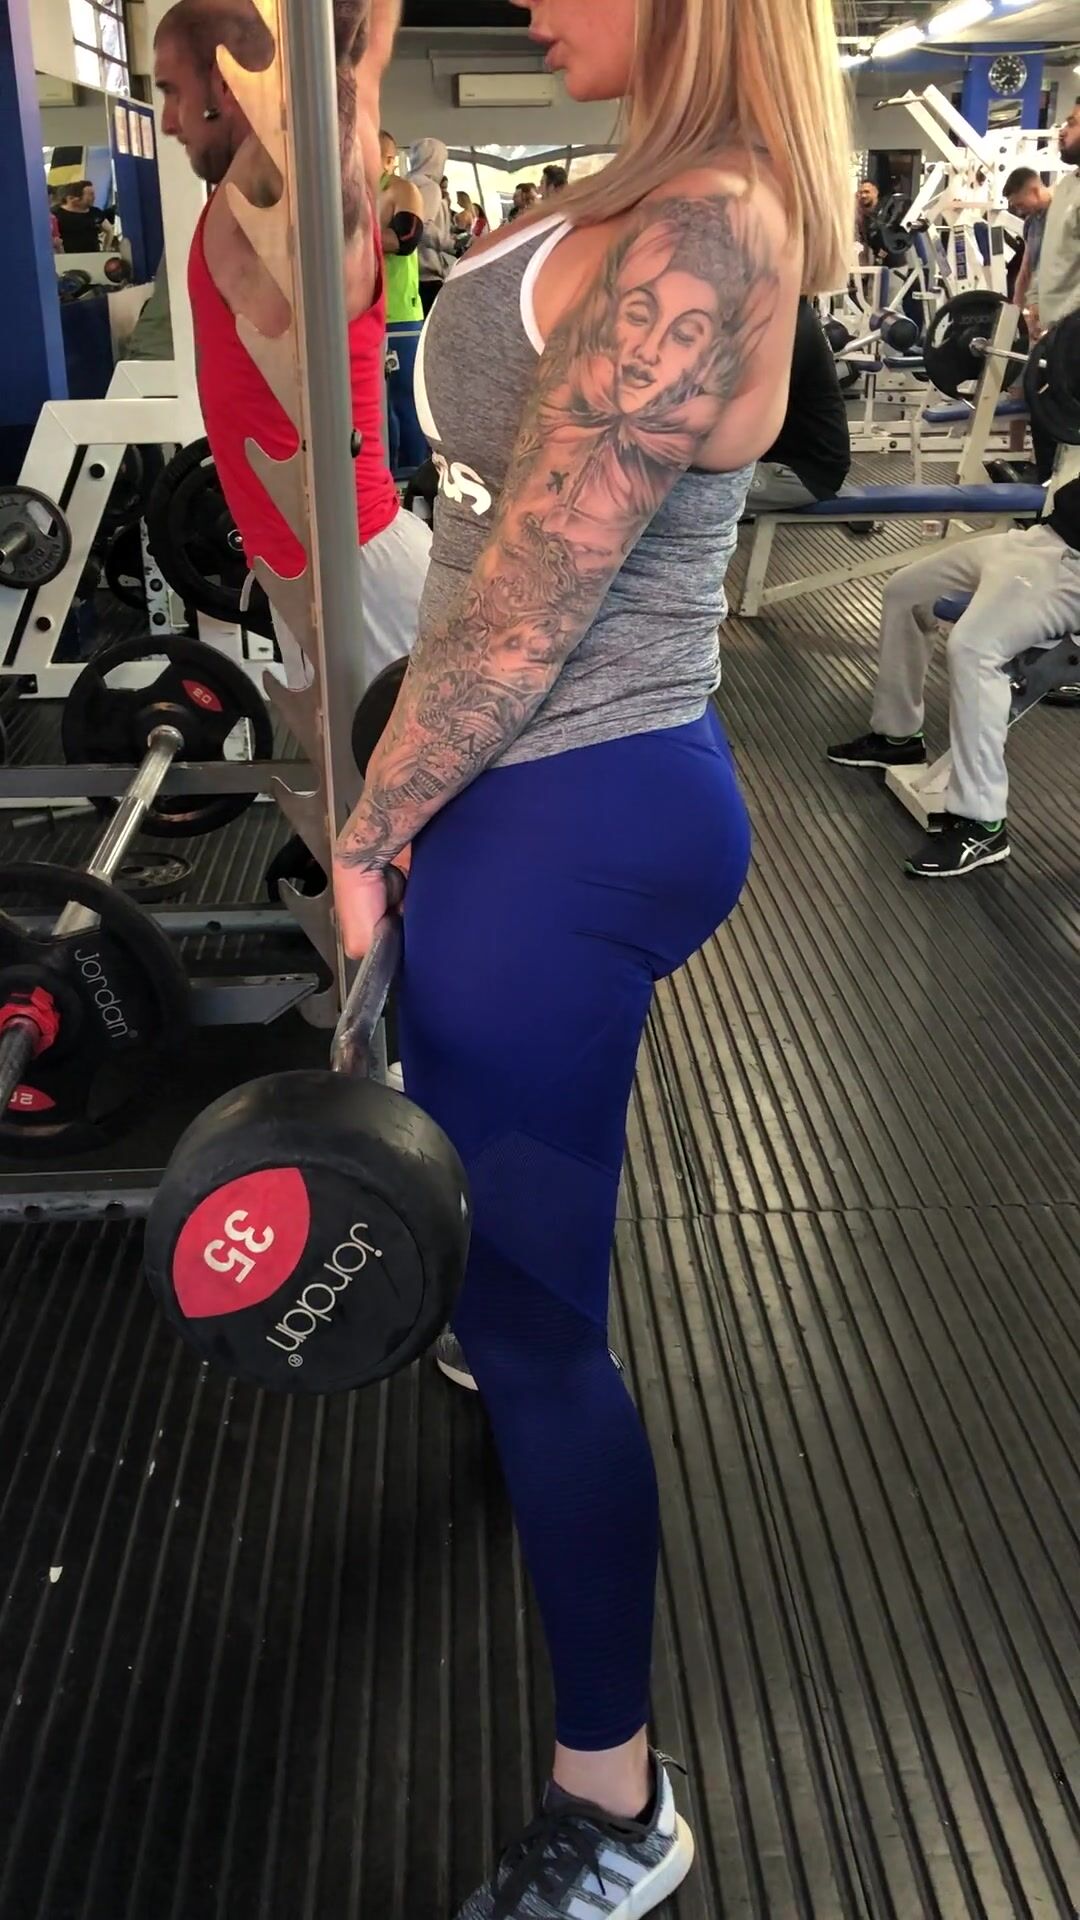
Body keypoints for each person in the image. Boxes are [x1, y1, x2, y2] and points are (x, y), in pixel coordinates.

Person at [331, 0, 851, 1911]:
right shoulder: (639, 191)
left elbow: (532, 605)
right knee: (516, 1277)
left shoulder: (709, 223)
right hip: (531, 780)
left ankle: (616, 1807)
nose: (539, 0)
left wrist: (373, 826)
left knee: (539, 1331)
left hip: (572, 799)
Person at [153, 0, 429, 709]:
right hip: (318, 570)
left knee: (408, 779)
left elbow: (343, 68)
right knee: (359, 777)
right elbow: (366, 59)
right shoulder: (268, 192)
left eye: (173, 90)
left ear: (224, 85)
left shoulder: (281, 181)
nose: (169, 120)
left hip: (356, 575)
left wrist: (325, 38)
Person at [827, 478, 1080, 878]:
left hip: (1071, 571)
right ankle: (897, 737)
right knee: (906, 591)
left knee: (974, 649)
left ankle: (982, 822)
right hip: (1039, 539)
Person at [745, 296, 850, 511]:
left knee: (682, 492)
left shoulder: (788, 323)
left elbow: (743, 412)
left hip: (801, 474)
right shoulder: (784, 313)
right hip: (778, 459)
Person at [1026, 105, 1080, 480]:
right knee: (1045, 431)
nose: (1062, 130)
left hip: (1072, 338)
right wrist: (1033, 302)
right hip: (1053, 335)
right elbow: (1047, 255)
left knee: (1069, 444)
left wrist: (1065, 326)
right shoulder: (1065, 187)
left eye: (1073, 123)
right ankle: (1047, 506)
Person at [378, 127, 428, 474]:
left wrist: (340, 233)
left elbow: (406, 237)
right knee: (372, 409)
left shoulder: (400, 190)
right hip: (356, 316)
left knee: (402, 403)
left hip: (398, 318)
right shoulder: (345, 191)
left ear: (388, 160)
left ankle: (413, 481)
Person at [408, 136, 456, 311]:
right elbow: (423, 227)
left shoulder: (404, 183)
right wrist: (452, 244)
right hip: (428, 271)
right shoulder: (429, 187)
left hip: (409, 271)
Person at [1003, 164, 1052, 324]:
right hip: (1041, 302)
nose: (1019, 211)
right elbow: (1026, 270)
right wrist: (1014, 316)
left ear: (1035, 191)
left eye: (1020, 205)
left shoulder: (1062, 215)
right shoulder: (1031, 223)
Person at [54, 182, 101, 253]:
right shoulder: (57, 213)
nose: (94, 197)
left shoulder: (94, 211)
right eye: (90, 194)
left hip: (93, 254)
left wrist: (106, 248)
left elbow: (109, 229)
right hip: (69, 255)